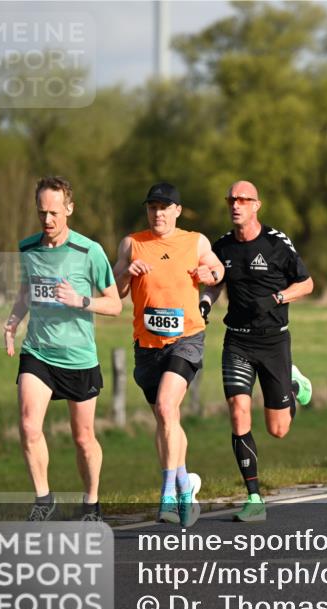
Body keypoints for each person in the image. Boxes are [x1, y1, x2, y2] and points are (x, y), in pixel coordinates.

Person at [3, 176, 122, 522]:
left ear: (69, 208)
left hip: (79, 358)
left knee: (83, 438)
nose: (48, 220)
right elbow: (26, 292)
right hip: (38, 352)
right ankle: (43, 498)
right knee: (28, 426)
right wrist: (12, 321)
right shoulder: (28, 248)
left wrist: (80, 300)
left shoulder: (90, 251)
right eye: (42, 213)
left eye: (54, 212)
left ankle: (91, 502)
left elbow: (114, 305)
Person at [199, 181, 314, 522]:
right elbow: (214, 284)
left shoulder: (277, 244)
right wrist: (205, 304)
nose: (236, 205)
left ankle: (291, 385)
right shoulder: (221, 247)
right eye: (232, 199)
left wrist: (277, 297)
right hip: (237, 341)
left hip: (274, 341)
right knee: (238, 411)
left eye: (243, 200)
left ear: (256, 205)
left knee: (278, 429)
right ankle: (253, 497)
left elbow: (306, 283)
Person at [113, 182, 224, 527]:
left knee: (165, 406)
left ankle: (167, 494)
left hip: (186, 339)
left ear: (177, 210)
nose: (158, 214)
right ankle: (185, 482)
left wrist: (210, 275)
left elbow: (219, 273)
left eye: (165, 207)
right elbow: (114, 294)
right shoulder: (133, 244)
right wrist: (124, 273)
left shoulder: (196, 241)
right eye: (152, 208)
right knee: (166, 418)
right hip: (147, 346)